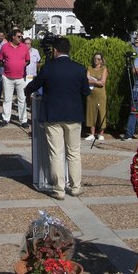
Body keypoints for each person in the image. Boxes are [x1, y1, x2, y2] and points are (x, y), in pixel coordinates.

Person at [25, 37, 89, 200]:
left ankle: (59, 189)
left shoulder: (48, 68)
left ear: (55, 50)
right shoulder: (80, 69)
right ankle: (75, 187)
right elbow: (86, 92)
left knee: (56, 153)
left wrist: (26, 91)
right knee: (74, 153)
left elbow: (34, 85)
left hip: (52, 115)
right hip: (73, 115)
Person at [0, 30, 31, 128]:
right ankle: (5, 118)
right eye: (19, 36)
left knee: (22, 99)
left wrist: (20, 66)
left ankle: (23, 120)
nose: (21, 38)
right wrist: (8, 66)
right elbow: (0, 60)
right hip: (8, 77)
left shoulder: (24, 47)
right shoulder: (5, 47)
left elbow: (28, 61)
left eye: (21, 36)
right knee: (7, 99)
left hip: (21, 78)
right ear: (13, 37)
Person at [84, 53, 108, 142]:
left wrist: (92, 80)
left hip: (101, 94)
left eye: (98, 59)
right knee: (91, 113)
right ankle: (92, 134)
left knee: (101, 112)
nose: (96, 60)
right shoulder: (89, 68)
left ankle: (101, 133)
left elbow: (103, 82)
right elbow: (86, 80)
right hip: (91, 94)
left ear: (101, 60)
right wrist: (97, 81)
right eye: (95, 58)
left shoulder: (104, 69)